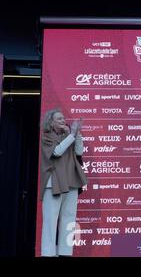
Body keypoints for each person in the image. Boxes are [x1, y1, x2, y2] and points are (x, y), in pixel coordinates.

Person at [40, 109, 87, 256]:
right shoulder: (46, 137)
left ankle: (65, 253)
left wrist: (77, 134)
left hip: (71, 181)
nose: (62, 120)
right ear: (51, 122)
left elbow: (79, 152)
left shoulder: (70, 136)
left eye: (63, 118)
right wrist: (72, 135)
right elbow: (56, 152)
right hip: (53, 183)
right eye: (59, 119)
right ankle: (48, 254)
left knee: (69, 220)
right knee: (50, 222)